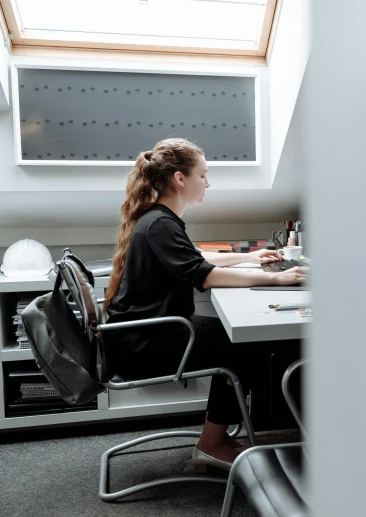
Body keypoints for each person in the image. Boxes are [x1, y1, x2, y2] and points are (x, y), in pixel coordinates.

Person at [103, 138, 308, 471]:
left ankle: (220, 436)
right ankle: (211, 443)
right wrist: (276, 279)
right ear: (180, 178)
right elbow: (204, 275)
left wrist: (248, 257)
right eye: (203, 175)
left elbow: (192, 257)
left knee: (238, 339)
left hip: (146, 332)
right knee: (245, 346)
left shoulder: (160, 219)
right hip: (146, 342)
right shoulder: (160, 223)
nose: (208, 183)